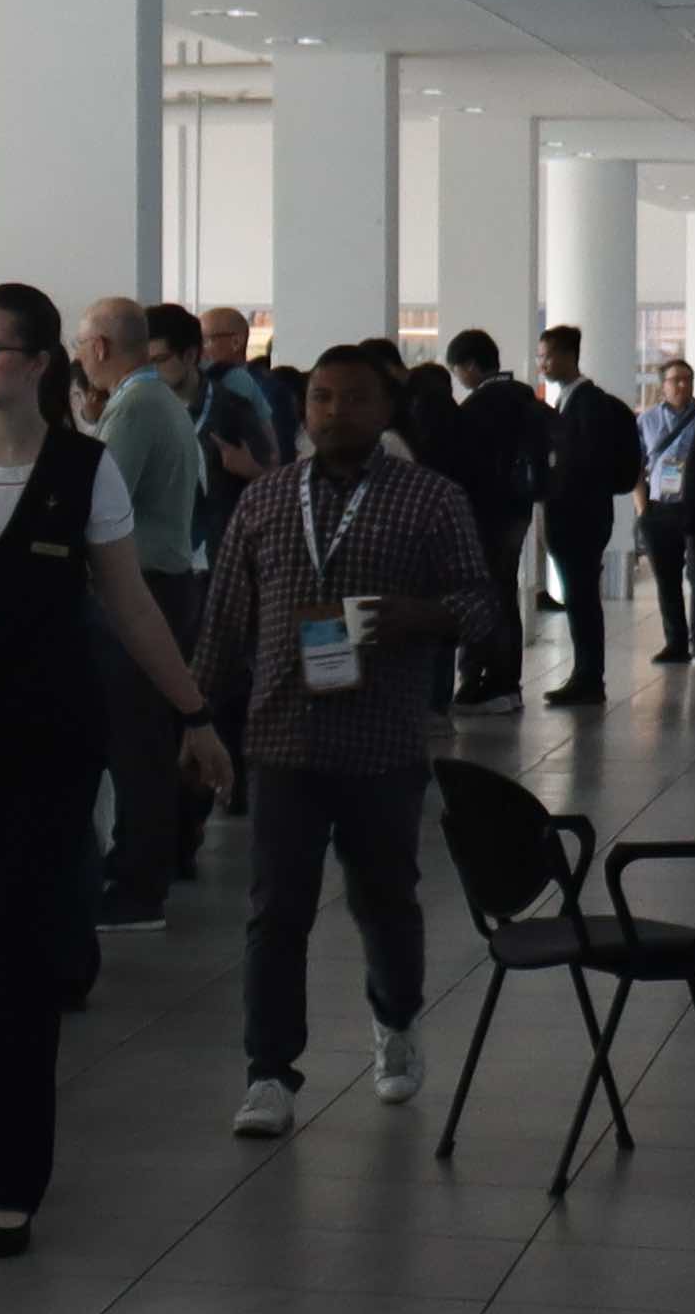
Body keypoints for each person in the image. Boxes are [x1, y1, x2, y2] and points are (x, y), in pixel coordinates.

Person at [0, 285, 229, 1253]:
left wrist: (193, 711)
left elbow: (131, 604)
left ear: (39, 364)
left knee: (24, 949)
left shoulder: (85, 469)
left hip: (48, 739)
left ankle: (14, 1172)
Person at [194, 337, 504, 1139]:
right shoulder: (266, 500)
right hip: (282, 738)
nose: (337, 412)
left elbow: (480, 604)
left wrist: (422, 616)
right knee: (276, 911)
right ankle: (269, 1072)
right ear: (304, 410)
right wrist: (193, 717)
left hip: (382, 741)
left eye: (357, 398)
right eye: (323, 398)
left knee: (385, 899)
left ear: (386, 408)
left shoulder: (429, 499)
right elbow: (224, 620)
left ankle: (396, 1021)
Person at [87, 299, 217, 924]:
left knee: (136, 744)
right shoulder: (155, 399)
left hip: (144, 589)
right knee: (148, 738)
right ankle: (158, 859)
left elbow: (98, 496)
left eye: (82, 344)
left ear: (100, 348)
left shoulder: (137, 405)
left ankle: (138, 885)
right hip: (164, 583)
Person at [429, 329, 549, 703]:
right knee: (504, 591)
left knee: (487, 594)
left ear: (469, 366)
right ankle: (506, 680)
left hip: (487, 514)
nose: (458, 379)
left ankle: (491, 681)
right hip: (518, 510)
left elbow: (468, 466)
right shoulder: (523, 397)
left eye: (456, 370)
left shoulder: (480, 407)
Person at [532, 323, 646, 712]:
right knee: (580, 597)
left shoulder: (588, 405)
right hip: (580, 515)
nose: (542, 363)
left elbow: (582, 465)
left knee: (582, 598)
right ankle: (585, 675)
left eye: (547, 355)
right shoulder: (573, 401)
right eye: (540, 356)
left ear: (568, 356)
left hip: (579, 517)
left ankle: (588, 677)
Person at [637, 352, 695, 666]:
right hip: (659, 509)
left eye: (687, 379)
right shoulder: (647, 420)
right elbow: (636, 465)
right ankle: (675, 643)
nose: (682, 385)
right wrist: (643, 509)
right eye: (676, 380)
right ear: (663, 386)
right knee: (667, 579)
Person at [202, 304, 299, 472]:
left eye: (206, 340)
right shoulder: (206, 386)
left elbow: (279, 457)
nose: (200, 350)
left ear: (236, 342)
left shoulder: (270, 391)